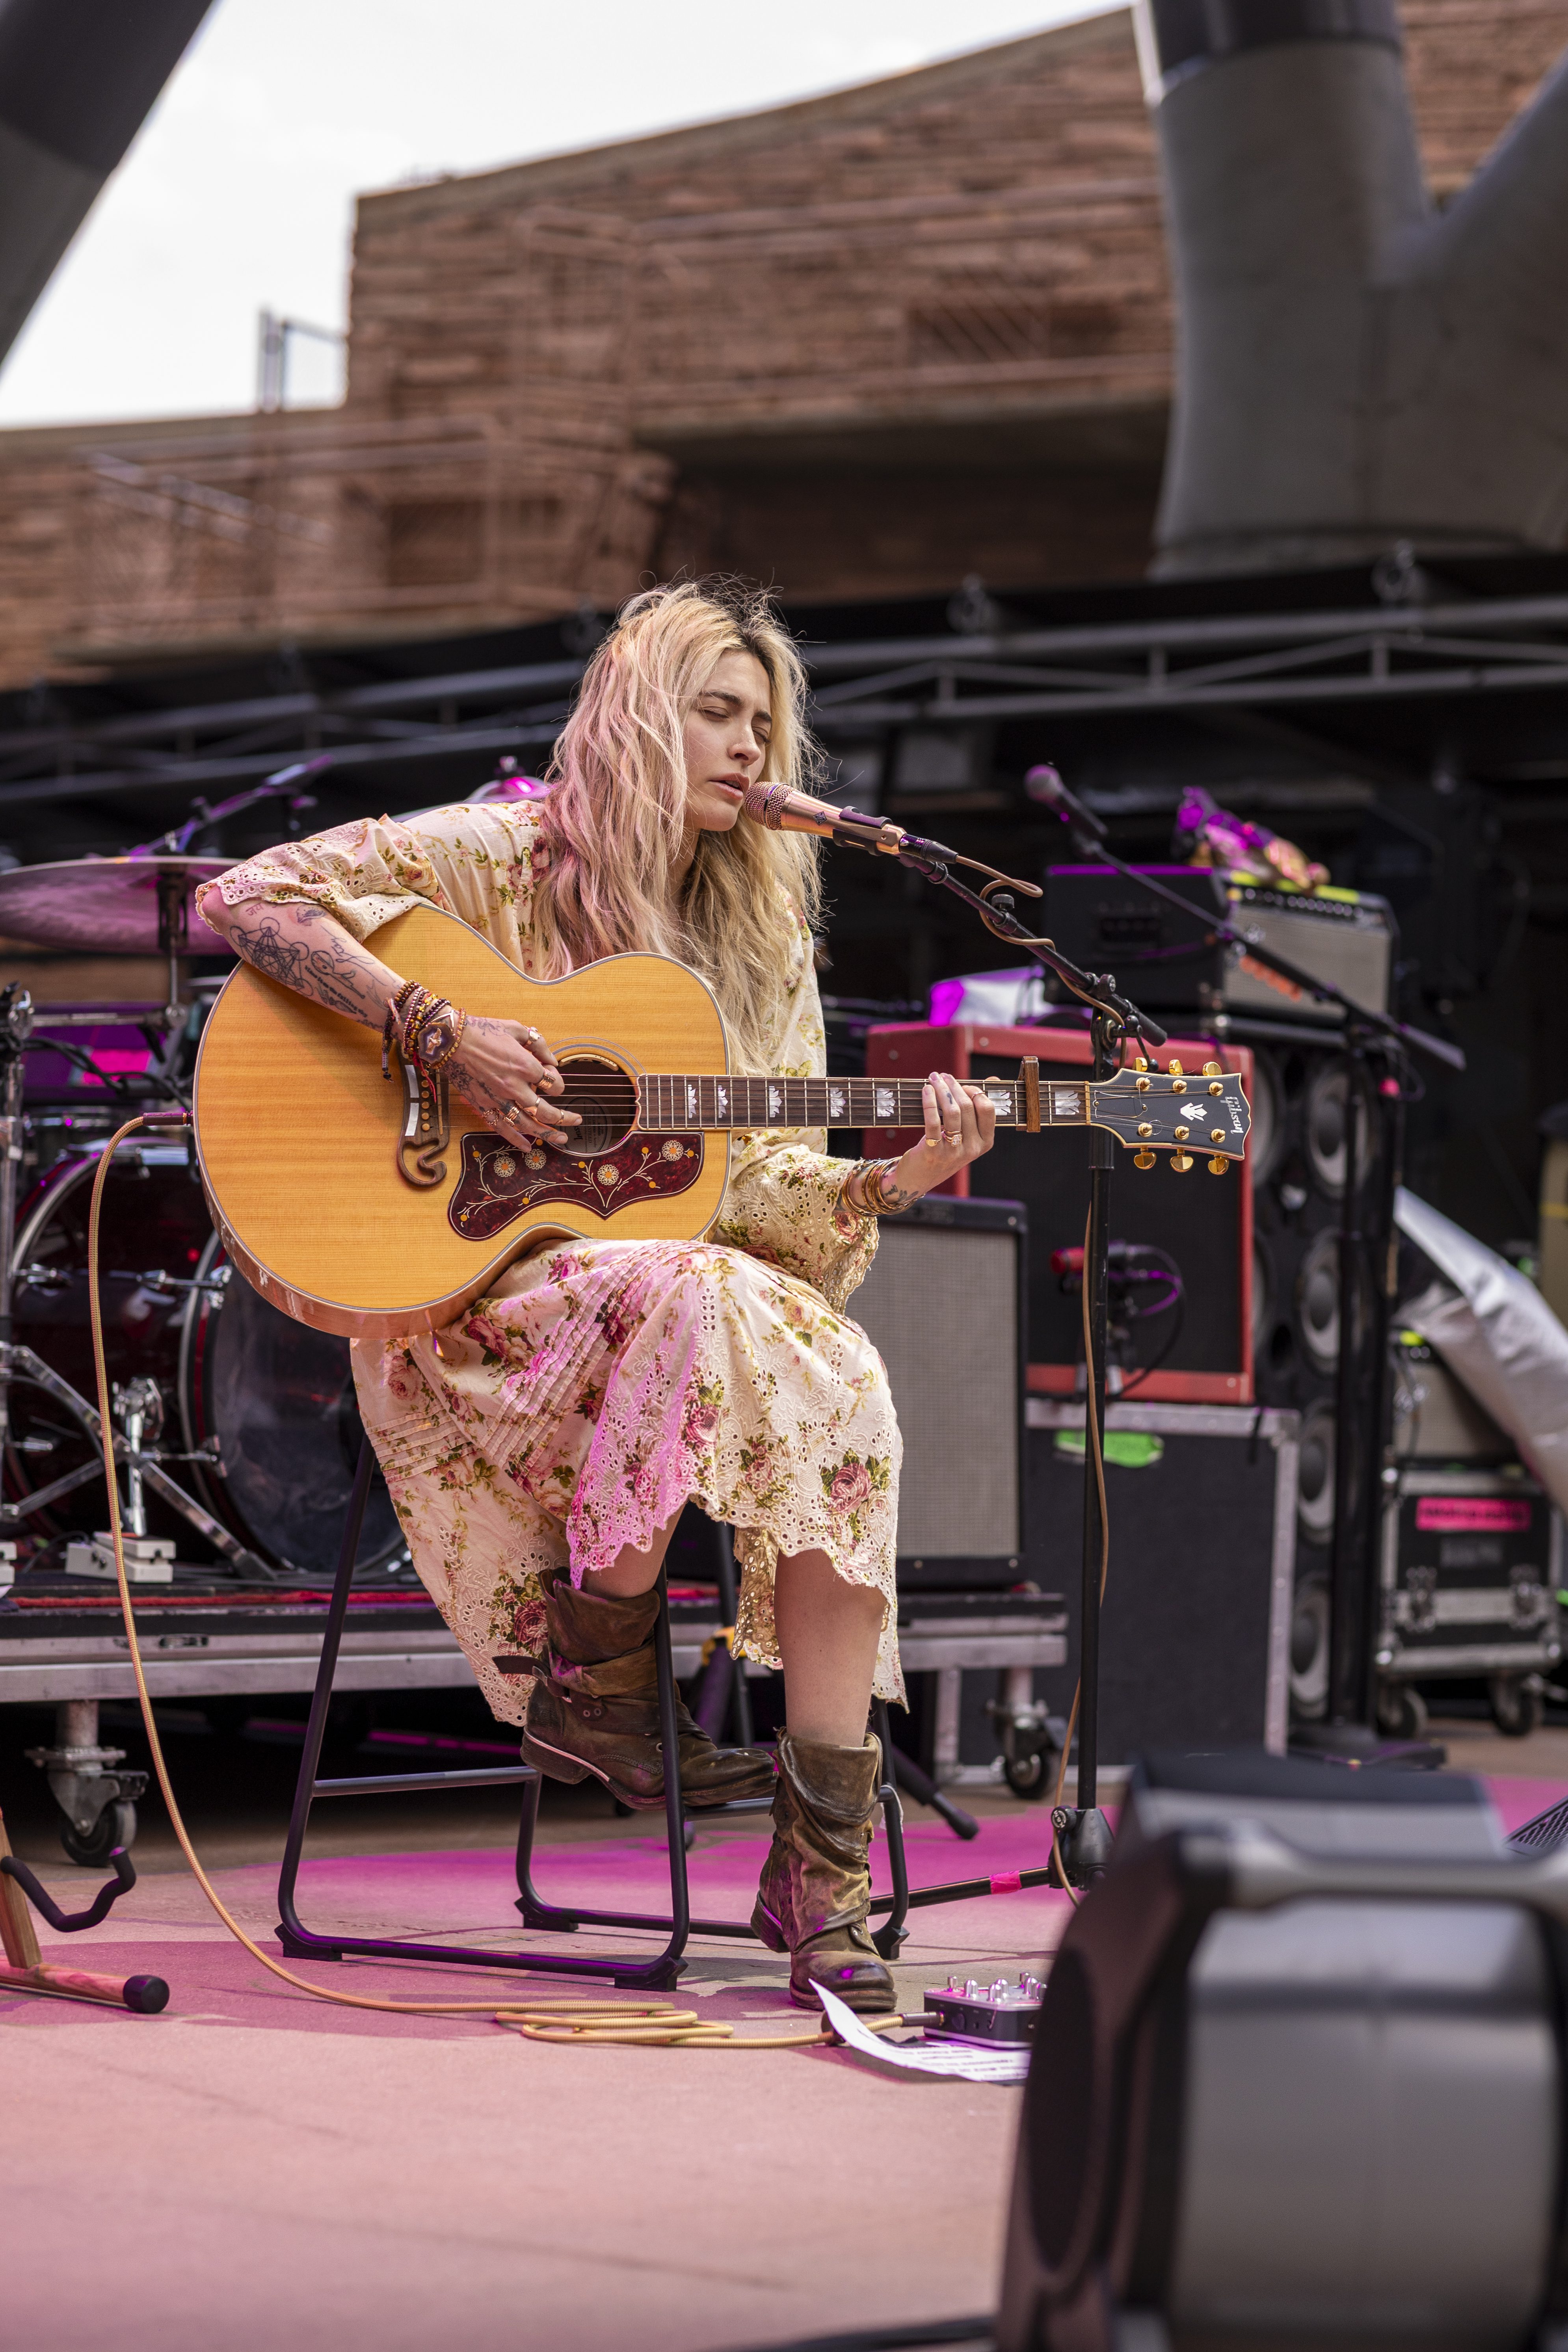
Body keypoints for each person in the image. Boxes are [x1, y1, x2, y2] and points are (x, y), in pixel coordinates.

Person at [198, 582, 995, 2012]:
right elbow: (239, 892)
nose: (752, 748)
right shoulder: (503, 854)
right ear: (639, 717)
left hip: (648, 1311)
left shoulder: (760, 953)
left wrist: (896, 1177)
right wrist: (429, 1028)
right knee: (698, 1297)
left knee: (849, 1372)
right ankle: (596, 1671)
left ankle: (819, 1872)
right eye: (717, 713)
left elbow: (759, 1205)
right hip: (467, 1308)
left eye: (767, 723)